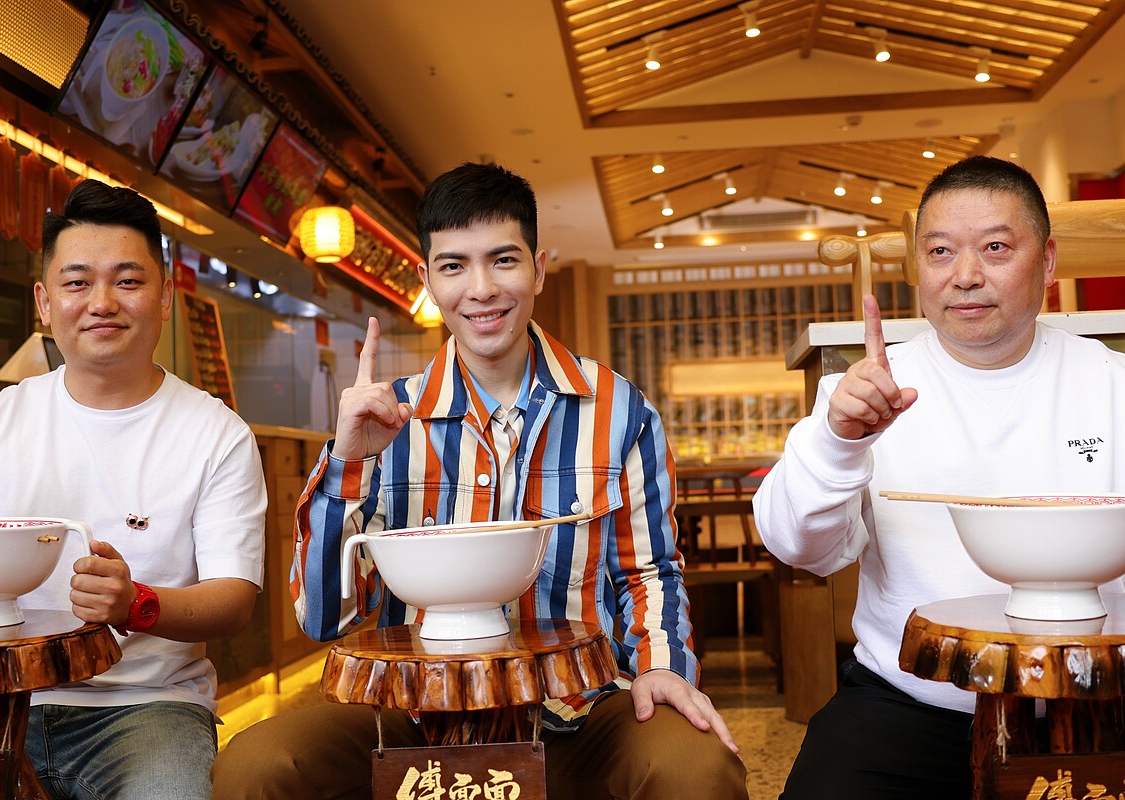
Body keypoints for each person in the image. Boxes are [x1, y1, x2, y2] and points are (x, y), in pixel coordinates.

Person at [211, 162, 748, 799]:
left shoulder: (619, 410)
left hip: (578, 716)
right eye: (454, 265)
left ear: (538, 269)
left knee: (696, 768)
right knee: (255, 765)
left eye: (503, 260)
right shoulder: (387, 417)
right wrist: (349, 462)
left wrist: (663, 668)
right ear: (427, 280)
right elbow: (326, 618)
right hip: (413, 721)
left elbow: (648, 572)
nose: (482, 288)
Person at [753, 155, 1125, 798]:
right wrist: (840, 443)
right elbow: (798, 549)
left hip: (1102, 700)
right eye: (941, 251)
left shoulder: (1111, 383)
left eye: (996, 248)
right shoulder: (867, 392)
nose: (966, 275)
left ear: (1048, 262)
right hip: (913, 702)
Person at [0, 179, 267, 800]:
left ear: (165, 297)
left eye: (128, 281)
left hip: (148, 706)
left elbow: (235, 601)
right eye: (77, 282)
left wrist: (137, 604)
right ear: (44, 301)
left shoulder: (217, 433)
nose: (102, 302)